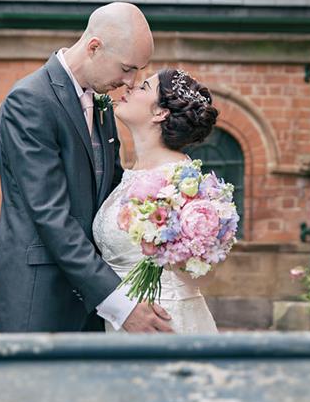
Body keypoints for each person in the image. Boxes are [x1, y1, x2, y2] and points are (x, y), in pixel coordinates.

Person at [0, 2, 173, 333]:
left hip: (93, 302)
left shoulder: (101, 103)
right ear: (94, 48)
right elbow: (51, 216)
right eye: (128, 68)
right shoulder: (30, 101)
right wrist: (121, 304)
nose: (131, 82)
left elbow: (111, 195)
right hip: (41, 301)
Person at [93, 68, 220, 333]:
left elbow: (198, 270)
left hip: (161, 321)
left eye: (142, 88)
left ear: (160, 113)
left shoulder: (181, 185)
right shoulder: (129, 173)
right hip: (121, 321)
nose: (128, 88)